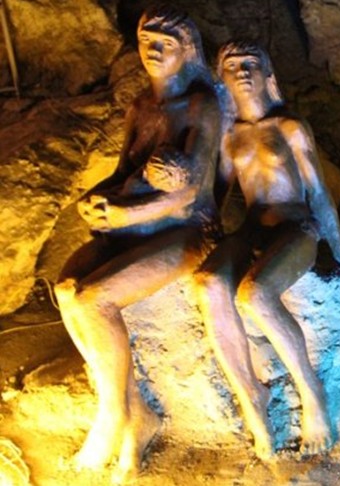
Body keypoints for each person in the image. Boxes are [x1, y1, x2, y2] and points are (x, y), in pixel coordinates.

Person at [54, 6, 221, 482]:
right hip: (134, 225)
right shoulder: (141, 107)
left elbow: (190, 191)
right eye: (147, 41)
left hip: (186, 230)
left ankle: (115, 415)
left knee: (95, 298)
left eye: (165, 43)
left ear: (187, 51)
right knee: (66, 289)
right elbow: (123, 170)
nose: (153, 50)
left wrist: (127, 214)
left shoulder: (201, 106)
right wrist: (96, 201)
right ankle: (128, 405)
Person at [192, 41, 340, 459]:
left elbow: (318, 190)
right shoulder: (230, 135)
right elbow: (217, 193)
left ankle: (312, 392)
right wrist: (201, 228)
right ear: (223, 78)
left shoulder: (290, 126)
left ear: (268, 74)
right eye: (233, 66)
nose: (243, 72)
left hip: (295, 227)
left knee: (255, 294)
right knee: (209, 282)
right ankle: (251, 395)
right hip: (251, 228)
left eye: (251, 64)